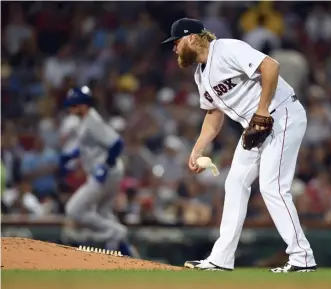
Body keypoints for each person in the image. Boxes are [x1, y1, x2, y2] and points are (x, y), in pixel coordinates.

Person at [162, 18, 317, 273]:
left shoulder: (225, 49)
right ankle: (221, 259)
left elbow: (270, 66)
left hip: (281, 113)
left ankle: (302, 257)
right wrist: (197, 149)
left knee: (273, 186)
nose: (174, 48)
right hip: (255, 128)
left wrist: (262, 111)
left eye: (176, 42)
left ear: (191, 38)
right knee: (234, 183)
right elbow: (214, 115)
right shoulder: (200, 75)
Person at [60, 86, 135, 256]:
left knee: (74, 210)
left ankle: (117, 232)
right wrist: (71, 155)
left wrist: (105, 166)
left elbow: (117, 143)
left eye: (74, 104)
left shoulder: (93, 120)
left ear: (84, 105)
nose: (71, 108)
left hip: (105, 173)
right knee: (103, 213)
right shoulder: (85, 121)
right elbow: (89, 146)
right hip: (109, 172)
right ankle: (126, 252)